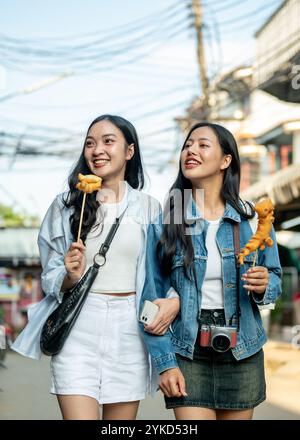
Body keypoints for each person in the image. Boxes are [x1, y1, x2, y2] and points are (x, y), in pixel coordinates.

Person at [12, 114, 180, 420]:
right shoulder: (64, 206)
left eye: (107, 141)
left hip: (130, 328)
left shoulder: (149, 208)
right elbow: (49, 273)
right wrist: (67, 275)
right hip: (78, 326)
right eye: (90, 143)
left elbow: (163, 271)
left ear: (129, 151)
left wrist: (173, 299)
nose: (97, 149)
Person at [140, 122, 282, 420]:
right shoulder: (167, 221)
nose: (191, 150)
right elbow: (151, 297)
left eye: (203, 145)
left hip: (242, 348)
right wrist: (165, 363)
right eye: (187, 145)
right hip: (187, 348)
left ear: (226, 160)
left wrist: (264, 285)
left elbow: (275, 281)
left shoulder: (253, 219)